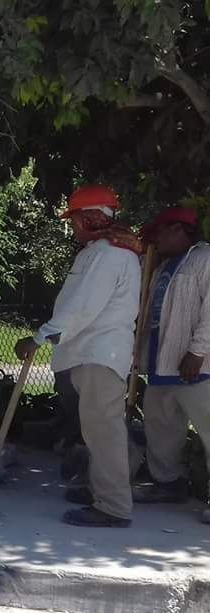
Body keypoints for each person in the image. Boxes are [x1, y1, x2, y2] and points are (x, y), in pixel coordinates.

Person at [15, 184, 143, 528]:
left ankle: (113, 507)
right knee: (97, 431)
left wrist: (40, 337)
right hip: (90, 354)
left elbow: (82, 308)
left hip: (100, 355)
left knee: (104, 432)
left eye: (74, 220)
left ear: (90, 218)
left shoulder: (110, 255)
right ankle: (101, 491)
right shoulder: (98, 252)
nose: (72, 227)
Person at [133, 207, 210, 525]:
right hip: (162, 363)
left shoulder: (205, 259)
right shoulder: (163, 265)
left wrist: (198, 351)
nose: (155, 239)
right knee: (161, 428)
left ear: (179, 229)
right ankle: (168, 483)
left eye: (160, 232)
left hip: (198, 366)